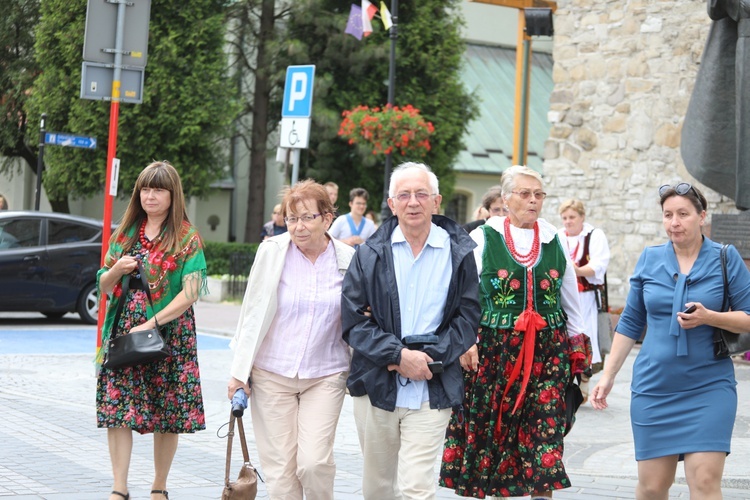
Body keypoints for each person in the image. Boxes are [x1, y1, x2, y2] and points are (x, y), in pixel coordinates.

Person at [590, 182, 750, 499]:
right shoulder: (649, 259)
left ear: (701, 216)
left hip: (709, 387)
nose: (674, 222)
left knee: (704, 482)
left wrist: (711, 317)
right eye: (668, 215)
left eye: (683, 214)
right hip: (654, 388)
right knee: (651, 488)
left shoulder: (725, 258)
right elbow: (631, 322)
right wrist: (607, 376)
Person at [440, 165, 590, 499]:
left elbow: (572, 303)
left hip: (548, 354)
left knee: (545, 440)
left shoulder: (555, 240)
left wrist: (578, 352)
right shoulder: (482, 238)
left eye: (539, 194)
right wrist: (466, 341)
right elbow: (459, 297)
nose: (533, 200)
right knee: (496, 436)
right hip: (494, 353)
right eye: (525, 193)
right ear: (506, 199)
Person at [341, 162, 481, 499]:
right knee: (378, 487)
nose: (413, 202)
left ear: (437, 201)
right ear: (391, 204)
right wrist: (398, 356)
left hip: (433, 387)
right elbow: (354, 321)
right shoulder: (368, 254)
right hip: (377, 385)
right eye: (404, 195)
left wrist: (429, 359)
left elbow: (468, 316)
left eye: (422, 194)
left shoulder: (459, 253)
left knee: (416, 487)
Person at [228, 180, 355, 499]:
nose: (298, 227)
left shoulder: (348, 259)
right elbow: (251, 312)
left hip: (326, 373)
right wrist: (239, 373)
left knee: (314, 464)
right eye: (291, 218)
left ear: (327, 219)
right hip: (272, 373)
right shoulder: (271, 252)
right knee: (281, 471)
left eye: (306, 217)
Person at [96, 160, 208, 500]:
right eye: (145, 189)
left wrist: (152, 322)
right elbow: (103, 285)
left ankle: (159, 486)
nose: (151, 196)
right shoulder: (124, 235)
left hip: (169, 335)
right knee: (117, 409)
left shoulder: (187, 238)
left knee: (167, 412)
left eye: (158, 189)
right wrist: (117, 268)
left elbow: (190, 293)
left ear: (173, 195)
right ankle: (119, 487)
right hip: (123, 335)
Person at [558, 198, 611, 398]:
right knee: (564, 337)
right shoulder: (558, 235)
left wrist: (577, 270)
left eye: (572, 217)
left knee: (585, 335)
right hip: (563, 297)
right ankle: (565, 381)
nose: (568, 221)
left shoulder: (594, 236)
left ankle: (584, 381)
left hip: (586, 297)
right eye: (564, 218)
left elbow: (599, 265)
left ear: (582, 217)